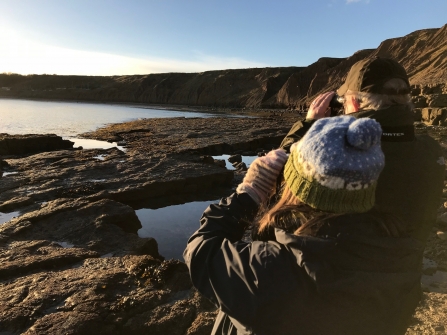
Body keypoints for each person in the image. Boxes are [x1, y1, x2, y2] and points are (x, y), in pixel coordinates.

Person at [185, 116, 422, 335]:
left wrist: (249, 193)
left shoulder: (272, 270)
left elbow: (199, 250)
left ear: (298, 187)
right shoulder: (401, 255)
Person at [280, 57, 444, 244]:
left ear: (355, 103)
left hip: (333, 267)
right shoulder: (432, 151)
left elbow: (283, 166)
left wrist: (310, 125)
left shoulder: (338, 154)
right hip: (405, 268)